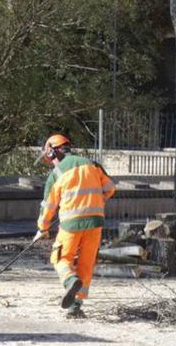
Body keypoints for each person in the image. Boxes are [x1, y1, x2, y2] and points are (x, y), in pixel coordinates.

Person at [35, 134, 116, 318]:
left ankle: (70, 280)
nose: (50, 162)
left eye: (49, 158)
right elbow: (110, 188)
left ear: (52, 151)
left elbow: (48, 207)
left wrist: (43, 228)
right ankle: (75, 307)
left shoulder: (57, 173)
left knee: (60, 258)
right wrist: (95, 201)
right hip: (95, 222)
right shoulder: (93, 165)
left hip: (71, 224)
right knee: (86, 264)